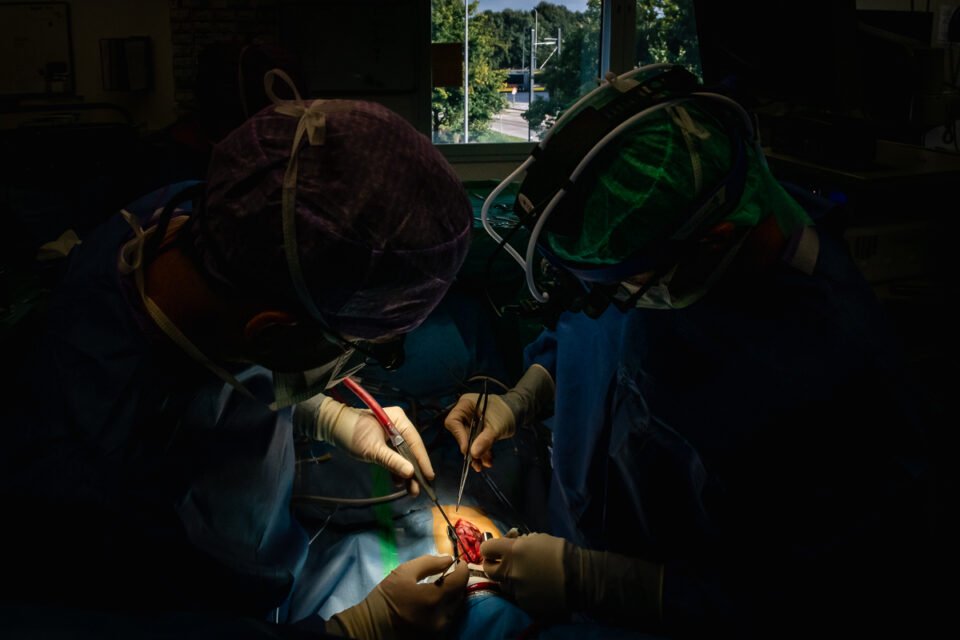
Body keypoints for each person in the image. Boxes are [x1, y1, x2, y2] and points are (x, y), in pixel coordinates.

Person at [445, 65, 935, 637]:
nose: (603, 300)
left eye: (617, 290)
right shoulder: (650, 241)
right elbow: (588, 334)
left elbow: (813, 600)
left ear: (716, 242)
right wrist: (525, 395)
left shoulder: (844, 385)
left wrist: (604, 583)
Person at [0, 70, 471, 637]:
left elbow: (227, 364)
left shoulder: (190, 223)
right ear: (271, 333)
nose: (365, 365)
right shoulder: (82, 480)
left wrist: (328, 416)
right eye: (366, 349)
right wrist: (355, 632)